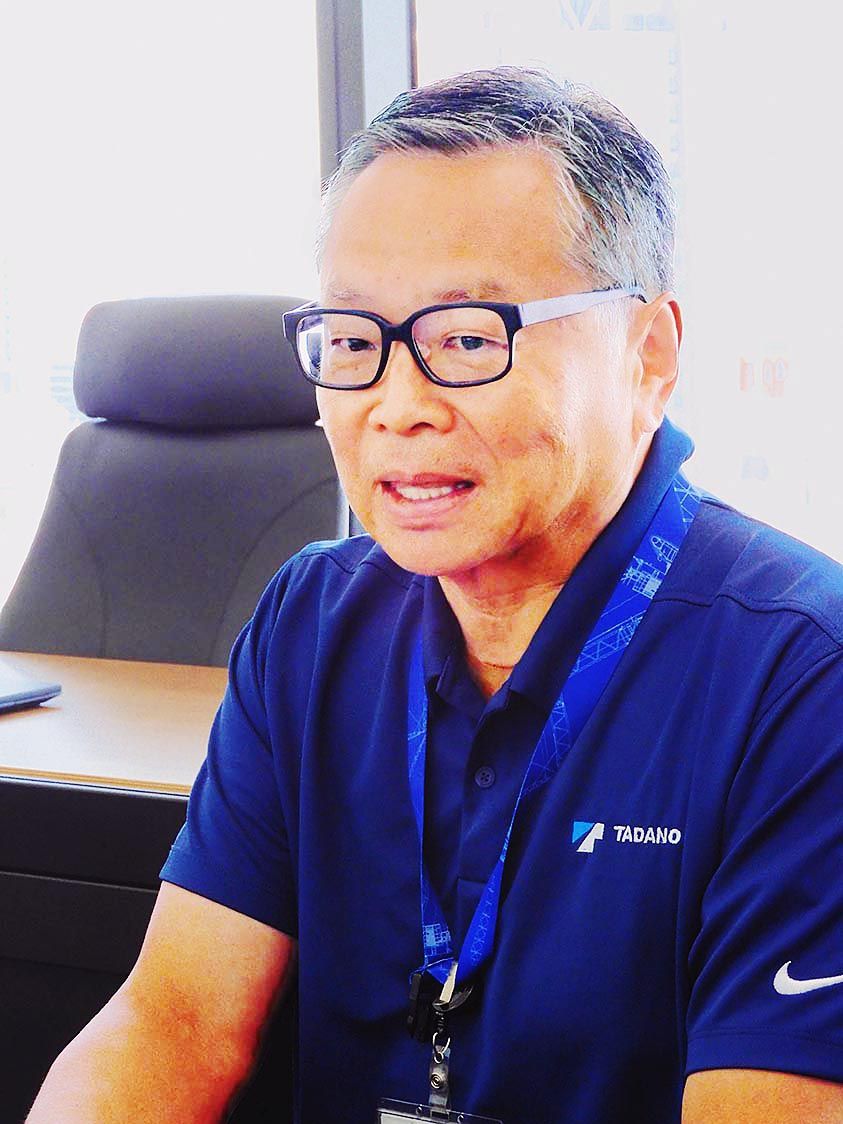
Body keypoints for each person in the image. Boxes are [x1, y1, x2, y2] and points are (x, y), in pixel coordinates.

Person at [27, 67, 843, 1124]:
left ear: (647, 356)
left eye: (466, 337)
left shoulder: (799, 672)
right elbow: (173, 1022)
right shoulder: (312, 623)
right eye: (353, 342)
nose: (396, 406)